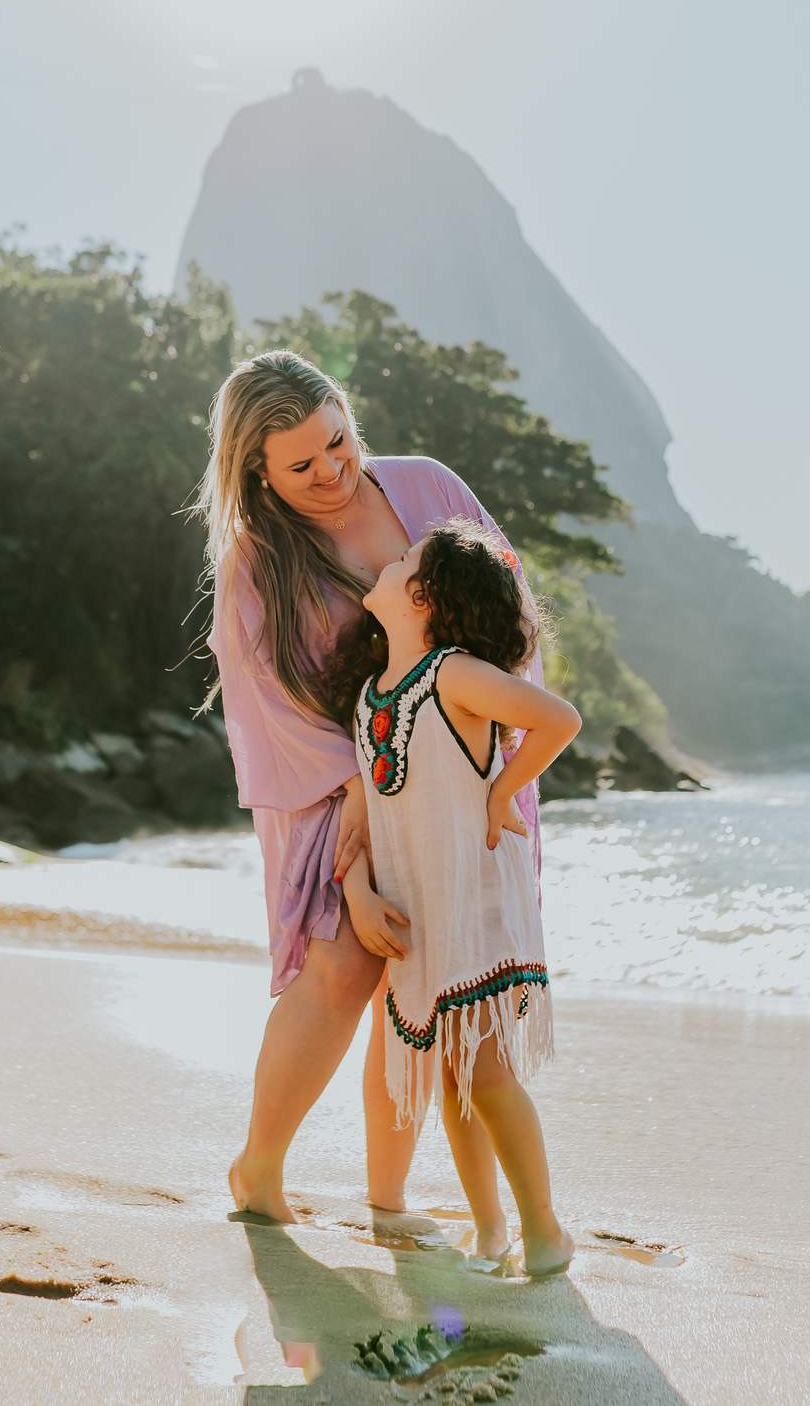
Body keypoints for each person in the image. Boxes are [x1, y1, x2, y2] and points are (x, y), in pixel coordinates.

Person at [195, 350, 543, 1224]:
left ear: (349, 416)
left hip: (459, 776)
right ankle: (258, 1170)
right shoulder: (255, 566)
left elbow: (511, 613)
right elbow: (272, 713)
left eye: (337, 442)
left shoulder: (426, 488)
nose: (331, 471)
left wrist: (479, 746)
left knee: (438, 983)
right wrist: (358, 808)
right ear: (257, 473)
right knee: (348, 964)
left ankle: (391, 1203)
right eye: (301, 465)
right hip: (332, 790)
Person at [331, 518, 579, 1275]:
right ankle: (492, 1227)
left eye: (404, 556)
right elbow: (357, 826)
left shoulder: (452, 674)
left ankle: (545, 1231)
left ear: (425, 594)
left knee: (484, 1073)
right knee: (454, 1075)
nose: (389, 555)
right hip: (421, 913)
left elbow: (557, 719)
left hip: (475, 902)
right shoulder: (373, 699)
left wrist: (503, 791)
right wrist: (360, 896)